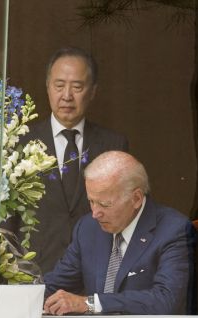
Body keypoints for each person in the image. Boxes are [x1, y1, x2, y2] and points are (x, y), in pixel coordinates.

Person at [43, 151, 194, 315]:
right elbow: (55, 286)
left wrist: (90, 303)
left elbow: (166, 300)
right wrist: (25, 295)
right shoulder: (87, 228)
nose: (95, 213)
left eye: (104, 204)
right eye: (91, 201)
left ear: (136, 199)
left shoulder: (173, 229)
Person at [21, 47, 129, 274]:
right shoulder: (20, 142)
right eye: (59, 85)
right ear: (48, 87)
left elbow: (126, 214)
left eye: (77, 87)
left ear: (93, 91)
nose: (67, 96)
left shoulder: (113, 144)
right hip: (34, 272)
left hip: (95, 273)